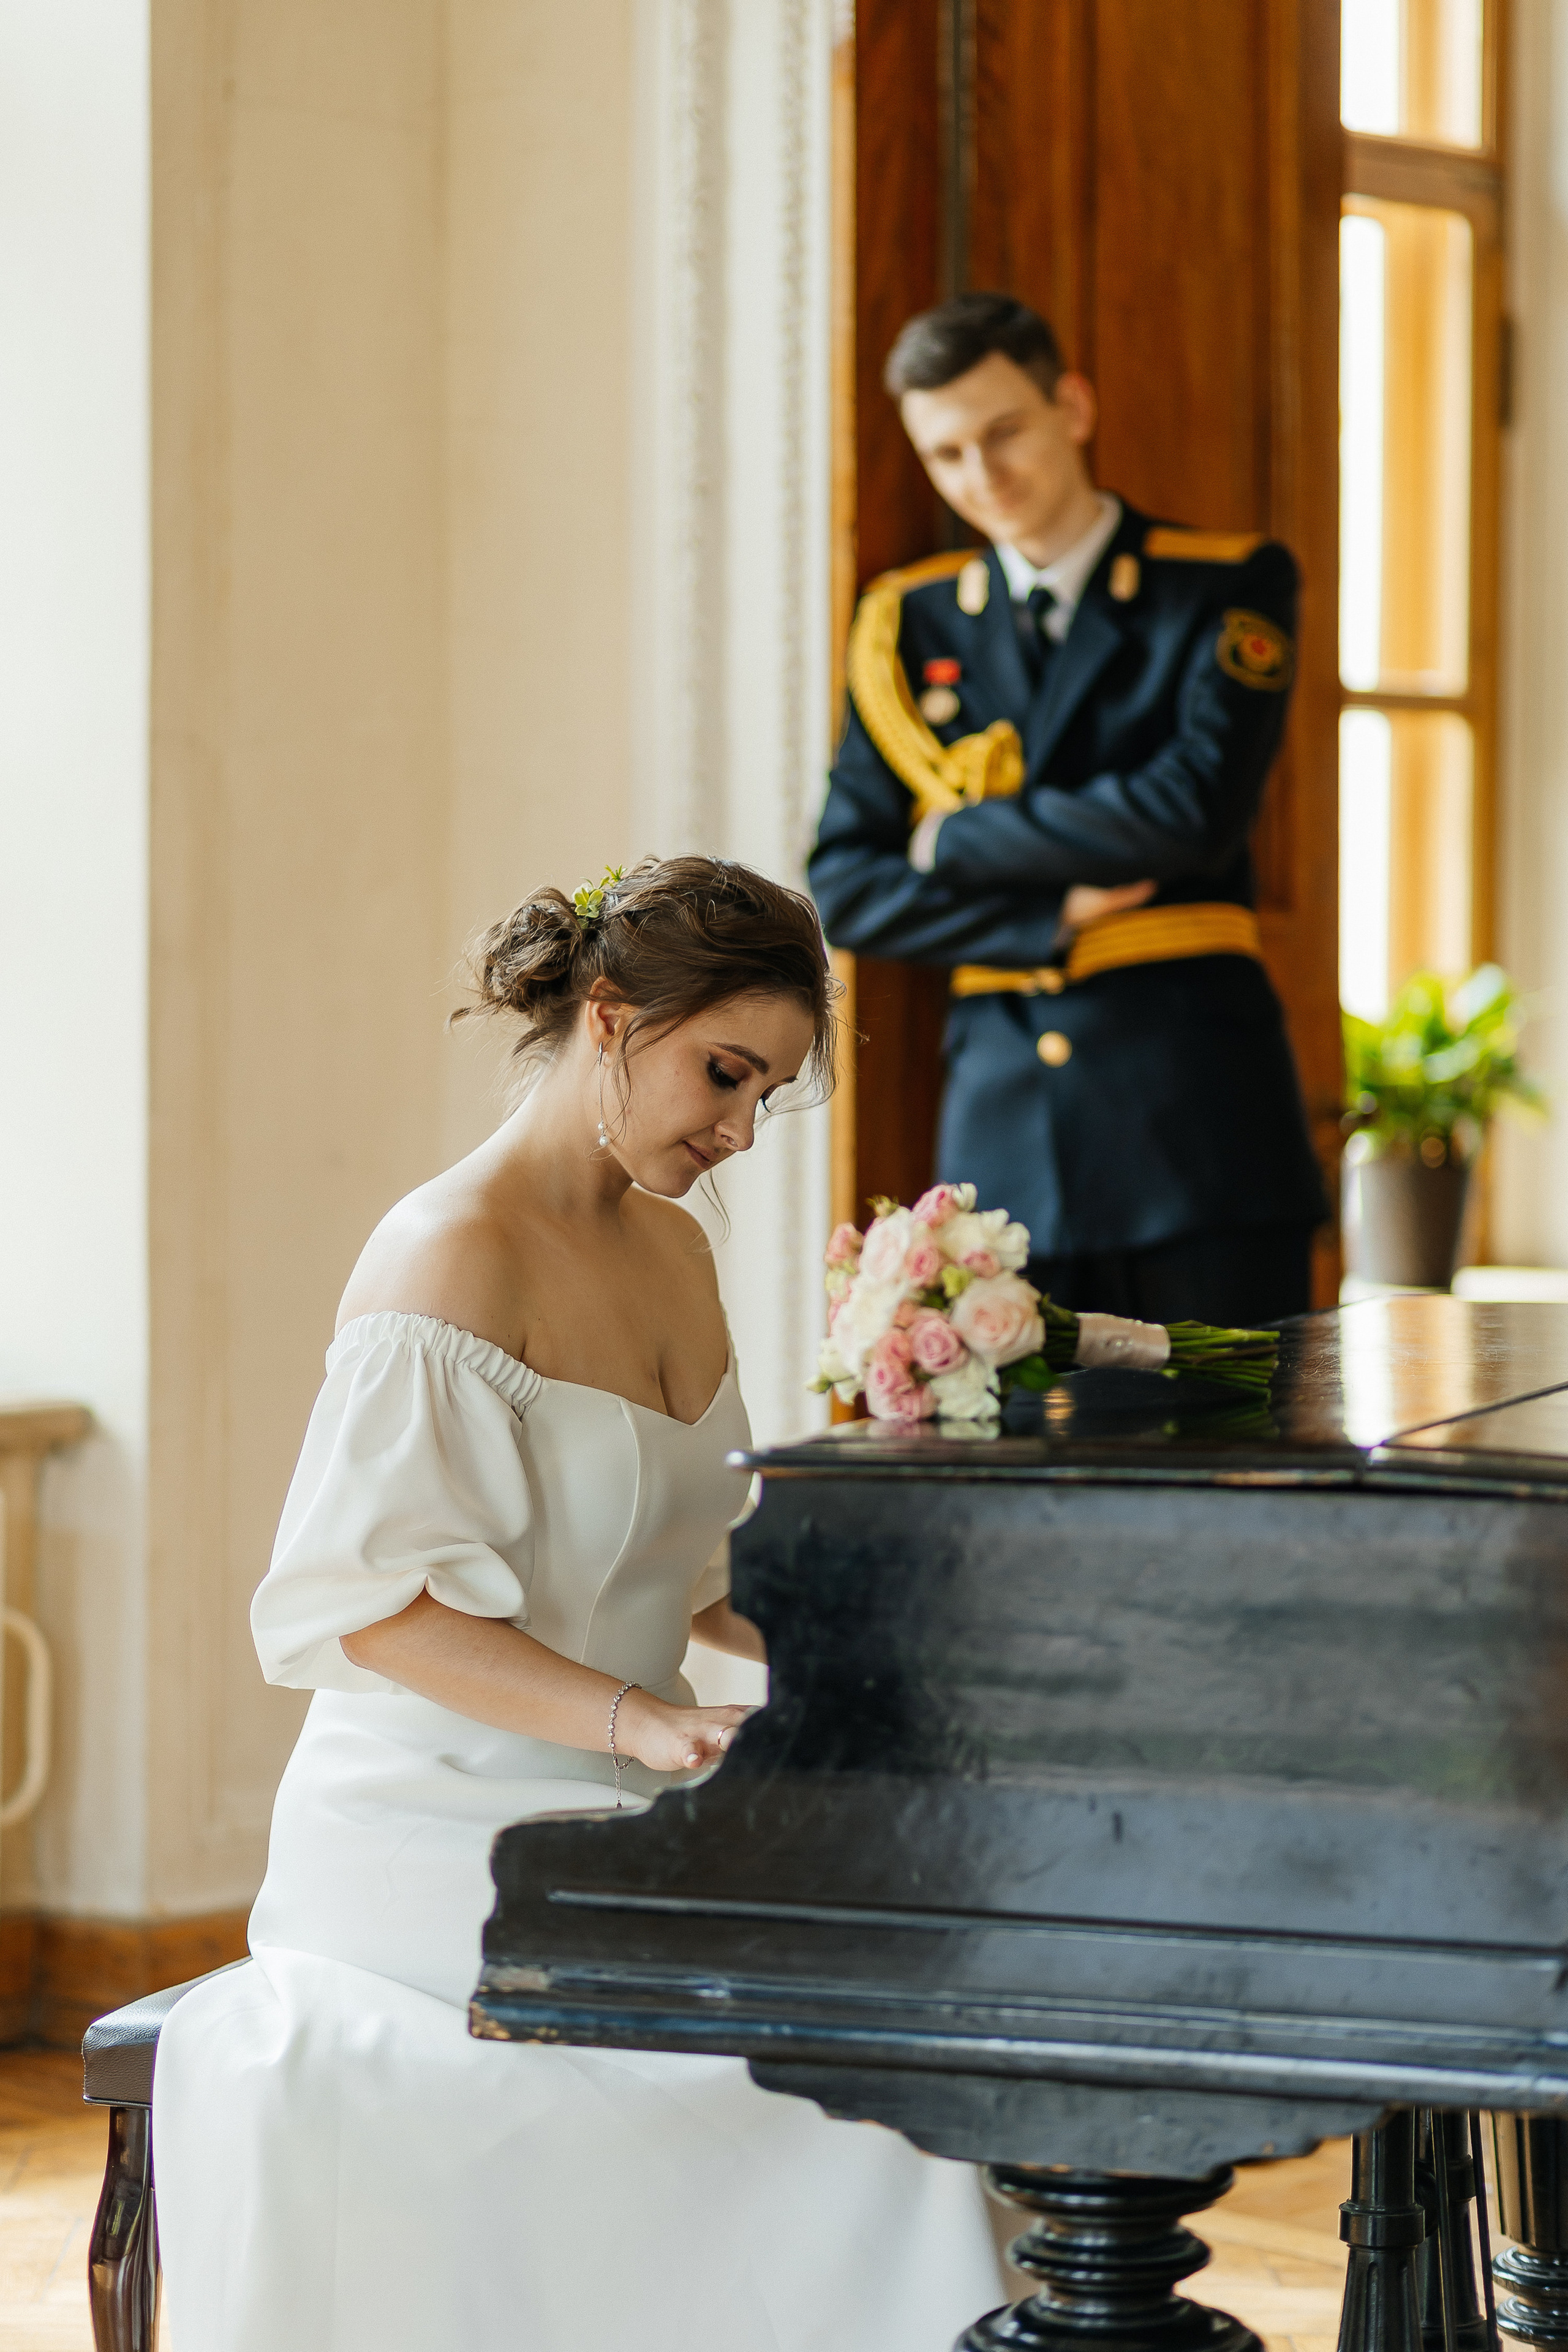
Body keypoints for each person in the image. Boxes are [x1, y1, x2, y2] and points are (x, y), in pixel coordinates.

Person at [151, 855, 1005, 2351]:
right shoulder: (447, 1256)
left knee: (911, 2032)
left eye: (765, 1095)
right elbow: (373, 1610)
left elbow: (692, 1580)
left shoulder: (675, 1251)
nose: (740, 1131)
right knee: (852, 2105)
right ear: (608, 1018)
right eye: (722, 1075)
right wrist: (647, 1724)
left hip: (622, 1807)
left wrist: (874, 1678)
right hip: (432, 1834)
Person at [809, 292, 1327, 1327]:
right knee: (1024, 1482)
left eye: (1004, 433)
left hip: (1196, 1132)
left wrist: (952, 836)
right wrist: (1047, 916)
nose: (982, 478)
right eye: (946, 454)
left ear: (1073, 408)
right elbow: (845, 887)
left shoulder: (1221, 587)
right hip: (1005, 1142)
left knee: (1232, 1469)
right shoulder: (905, 624)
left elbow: (1187, 817)